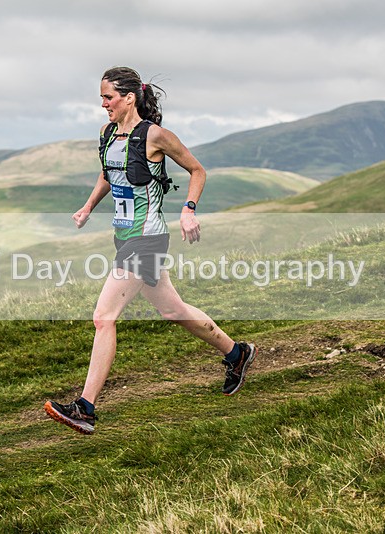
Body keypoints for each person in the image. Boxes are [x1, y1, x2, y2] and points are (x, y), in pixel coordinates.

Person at [44, 67, 257, 434]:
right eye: (101, 98)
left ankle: (86, 408)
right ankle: (237, 353)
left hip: (149, 238)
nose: (103, 104)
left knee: (103, 317)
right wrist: (88, 207)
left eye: (107, 97)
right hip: (124, 237)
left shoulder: (156, 136)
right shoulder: (108, 133)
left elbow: (197, 170)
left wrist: (188, 211)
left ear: (129, 97)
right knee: (173, 311)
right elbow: (108, 175)